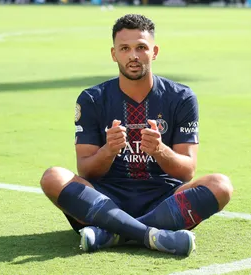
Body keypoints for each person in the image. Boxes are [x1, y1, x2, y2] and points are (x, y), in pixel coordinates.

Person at [40, 14, 233, 257]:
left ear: (154, 52)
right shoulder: (91, 99)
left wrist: (160, 151)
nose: (133, 55)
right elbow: (86, 171)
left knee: (221, 186)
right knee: (53, 177)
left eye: (141, 47)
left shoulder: (181, 98)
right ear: (114, 54)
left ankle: (112, 234)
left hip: (163, 199)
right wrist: (108, 151)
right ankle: (149, 235)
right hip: (105, 198)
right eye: (125, 48)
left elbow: (187, 171)